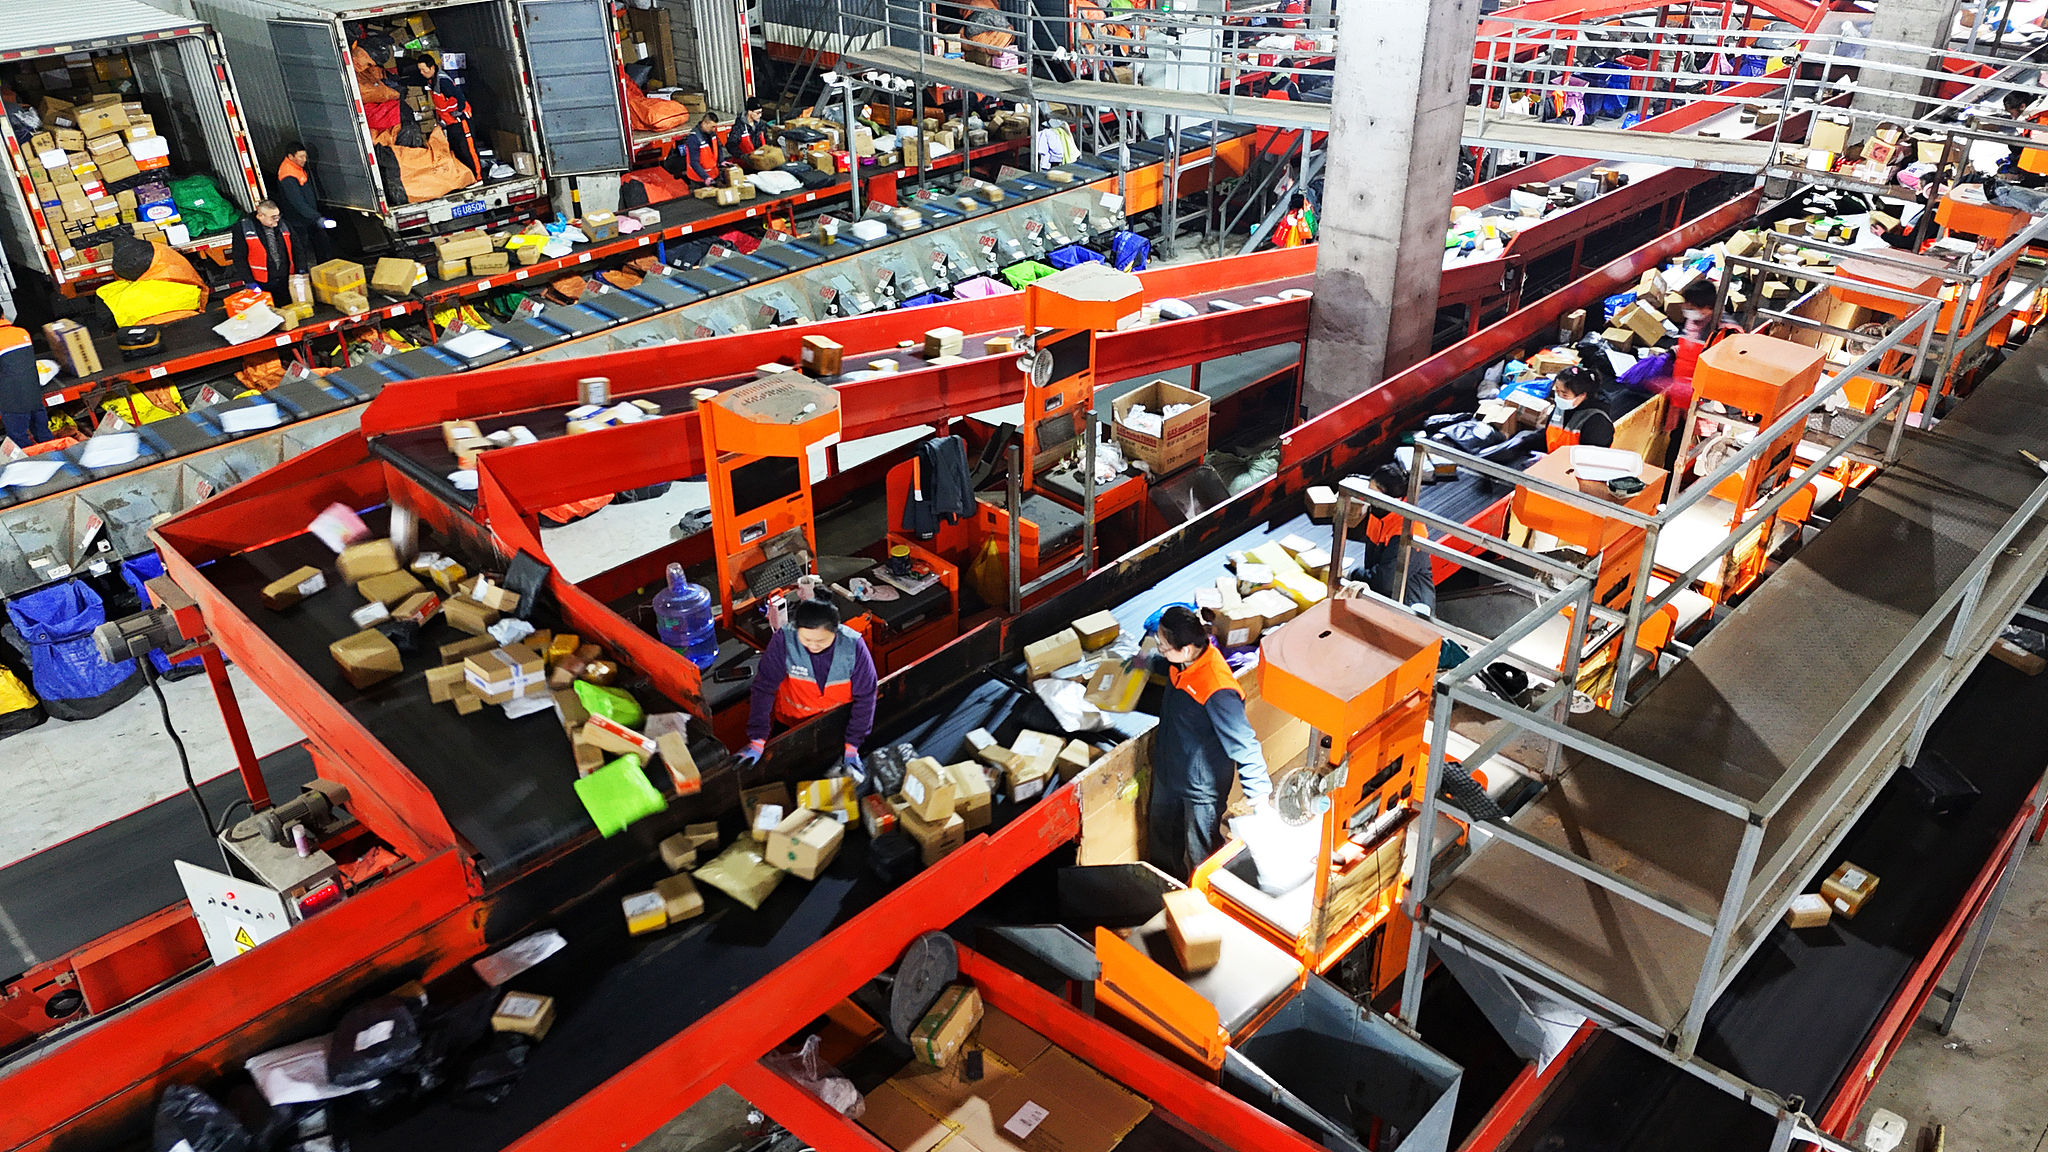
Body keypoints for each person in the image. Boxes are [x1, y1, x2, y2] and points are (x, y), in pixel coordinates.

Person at [1144, 605, 1271, 881]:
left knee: (1201, 854)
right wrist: (1147, 662)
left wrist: (1260, 798)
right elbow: (1168, 666)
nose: (1161, 650)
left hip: (1200, 790)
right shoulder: (1182, 662)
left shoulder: (1217, 687)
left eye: (1164, 647)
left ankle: (1206, 902)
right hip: (1170, 773)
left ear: (1187, 648)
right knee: (1162, 838)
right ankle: (1167, 891)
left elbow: (1245, 743)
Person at [736, 598, 875, 775]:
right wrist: (758, 738)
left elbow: (866, 697)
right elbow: (764, 688)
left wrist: (853, 744)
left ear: (835, 632)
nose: (813, 646)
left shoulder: (853, 646)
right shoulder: (784, 641)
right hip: (791, 726)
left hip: (837, 727)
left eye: (821, 640)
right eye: (806, 639)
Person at [1351, 462, 1437, 612]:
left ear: (1394, 500)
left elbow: (1387, 581)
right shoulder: (1379, 512)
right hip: (1382, 594)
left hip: (1409, 603)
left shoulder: (1408, 530)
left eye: (1374, 494)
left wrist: (1354, 574)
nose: (1368, 498)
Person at [410, 55, 480, 178]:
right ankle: (466, 176)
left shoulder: (443, 82)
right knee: (457, 150)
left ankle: (477, 177)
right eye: (420, 70)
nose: (422, 73)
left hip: (461, 121)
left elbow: (459, 100)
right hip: (450, 123)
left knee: (467, 150)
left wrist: (457, 114)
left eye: (424, 70)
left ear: (432, 68)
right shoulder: (432, 80)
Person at [229, 200, 307, 308]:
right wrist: (248, 280)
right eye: (273, 217)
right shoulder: (243, 228)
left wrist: (301, 268)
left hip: (285, 279)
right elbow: (239, 257)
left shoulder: (284, 225)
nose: (277, 220)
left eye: (278, 216)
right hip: (262, 282)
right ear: (260, 216)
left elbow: (297, 249)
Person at [274, 142, 335, 262]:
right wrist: (316, 217)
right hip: (298, 220)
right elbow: (297, 202)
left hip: (308, 217)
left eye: (305, 156)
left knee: (322, 244)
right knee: (302, 250)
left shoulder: (296, 168)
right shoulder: (288, 175)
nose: (304, 160)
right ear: (291, 157)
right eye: (301, 157)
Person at [0, 315, 43, 449]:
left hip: (12, 403)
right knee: (44, 435)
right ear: (2, 315)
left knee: (21, 442)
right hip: (34, 396)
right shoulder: (22, 332)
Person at [1549, 366, 1617, 450]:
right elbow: (1549, 437)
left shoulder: (1598, 422)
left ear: (1582, 396)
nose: (1559, 397)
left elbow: (1589, 458)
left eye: (1565, 394)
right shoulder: (1563, 407)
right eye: (1557, 390)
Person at [666, 114, 724, 187]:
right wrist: (706, 178)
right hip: (699, 179)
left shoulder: (711, 133)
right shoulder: (694, 138)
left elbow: (718, 147)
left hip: (713, 175)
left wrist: (722, 160)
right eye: (712, 126)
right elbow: (693, 162)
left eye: (715, 126)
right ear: (704, 123)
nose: (714, 129)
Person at [726, 98, 769, 163]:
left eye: (761, 112)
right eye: (757, 113)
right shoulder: (739, 127)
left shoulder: (761, 125)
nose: (760, 115)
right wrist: (741, 156)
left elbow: (766, 138)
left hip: (760, 161)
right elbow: (731, 145)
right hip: (744, 163)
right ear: (749, 112)